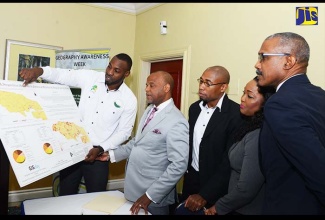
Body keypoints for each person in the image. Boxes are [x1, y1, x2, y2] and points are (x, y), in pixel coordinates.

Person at [19, 53, 137, 196]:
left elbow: (124, 132)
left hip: (98, 157)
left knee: (96, 199)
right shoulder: (91, 78)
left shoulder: (129, 99)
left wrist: (100, 148)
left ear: (127, 73)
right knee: (65, 196)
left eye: (116, 70)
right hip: (73, 150)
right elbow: (62, 75)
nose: (110, 72)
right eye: (109, 67)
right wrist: (39, 71)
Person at [255, 32, 325, 215]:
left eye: (263, 57)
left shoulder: (280, 103)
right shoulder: (319, 95)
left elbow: (317, 168)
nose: (257, 64)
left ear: (289, 61)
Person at [104, 71, 189, 215]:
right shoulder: (149, 109)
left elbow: (179, 165)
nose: (146, 89)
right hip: (133, 188)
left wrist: (150, 195)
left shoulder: (177, 121)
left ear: (166, 88)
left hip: (153, 197)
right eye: (146, 85)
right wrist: (110, 155)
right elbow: (137, 143)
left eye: (152, 85)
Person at [204, 76, 275, 215]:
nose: (242, 98)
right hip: (237, 207)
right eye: (243, 93)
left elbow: (247, 188)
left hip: (248, 210)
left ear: (265, 103)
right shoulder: (248, 126)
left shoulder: (258, 135)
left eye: (249, 96)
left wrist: (219, 207)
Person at [177, 65, 243, 214]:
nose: (201, 87)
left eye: (208, 83)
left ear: (223, 87)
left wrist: (205, 195)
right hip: (191, 179)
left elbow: (229, 161)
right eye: (201, 81)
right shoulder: (194, 109)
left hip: (217, 187)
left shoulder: (235, 114)